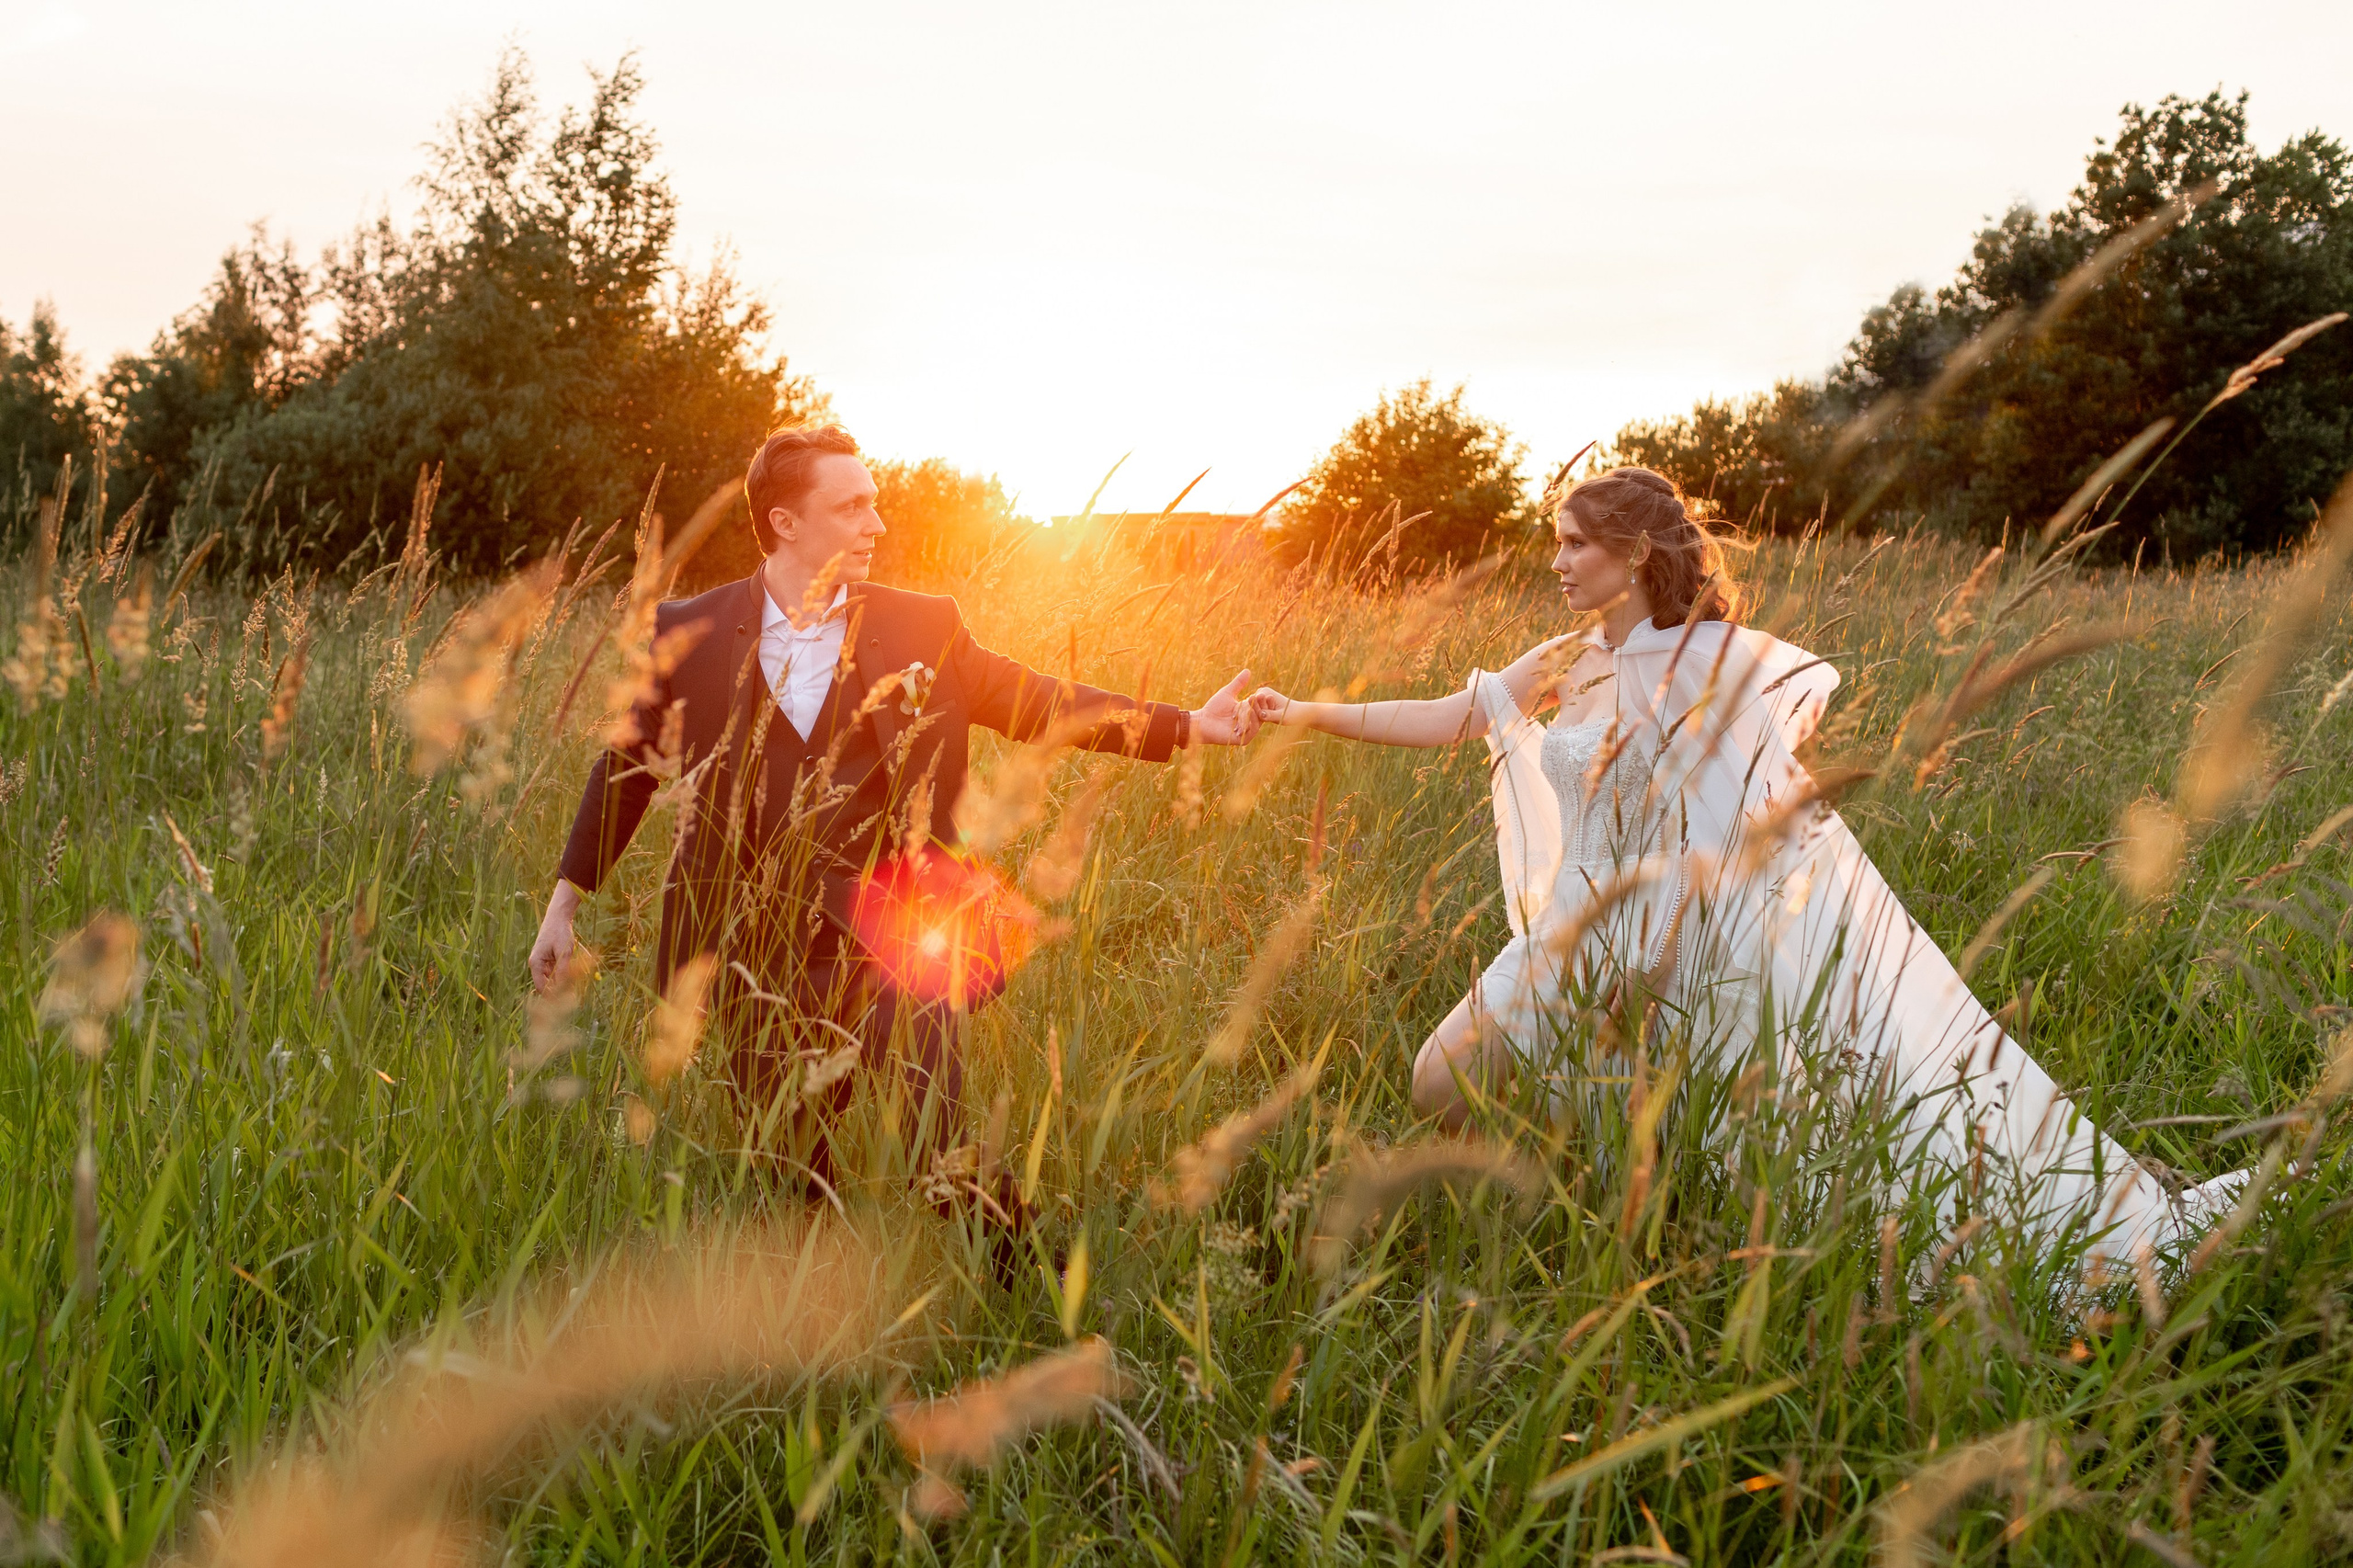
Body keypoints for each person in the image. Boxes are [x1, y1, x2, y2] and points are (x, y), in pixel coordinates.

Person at [1249, 465, 2241, 1263]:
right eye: (1556, 540)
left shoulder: (1705, 669)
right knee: (1448, 1077)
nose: (1555, 559)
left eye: (1573, 541)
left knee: (1638, 1124)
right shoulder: (1568, 655)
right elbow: (1455, 716)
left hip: (1658, 936)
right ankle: (1535, 1228)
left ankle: (1583, 1240)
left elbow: (1739, 826)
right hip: (1569, 917)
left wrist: (1674, 951)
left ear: (1633, 551)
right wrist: (1300, 712)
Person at [529, 424, 1259, 1203]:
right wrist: (564, 903)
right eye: (851, 508)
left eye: (874, 505)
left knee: (936, 1149)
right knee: (784, 1168)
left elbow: (1039, 700)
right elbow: (626, 768)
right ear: (785, 522)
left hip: (902, 934)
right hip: (753, 944)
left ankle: (1015, 1293)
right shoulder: (688, 632)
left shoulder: (923, 626)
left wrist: (1187, 724)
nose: (876, 525)